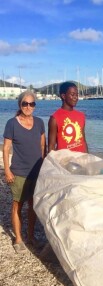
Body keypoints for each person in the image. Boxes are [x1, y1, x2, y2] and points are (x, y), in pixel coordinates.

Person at [3, 91, 46, 253]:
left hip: (36, 172)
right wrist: (7, 170)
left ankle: (30, 236)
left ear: (35, 106)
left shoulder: (40, 123)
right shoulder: (11, 124)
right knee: (17, 205)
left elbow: (42, 147)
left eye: (31, 104)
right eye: (25, 104)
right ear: (20, 105)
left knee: (33, 206)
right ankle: (18, 239)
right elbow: (6, 148)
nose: (28, 107)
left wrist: (44, 168)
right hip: (19, 172)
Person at [48, 81, 88, 153]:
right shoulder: (54, 118)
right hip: (64, 161)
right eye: (72, 94)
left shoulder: (81, 116)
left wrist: (88, 158)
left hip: (80, 160)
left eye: (77, 95)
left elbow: (83, 141)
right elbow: (51, 146)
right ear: (63, 96)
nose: (76, 97)